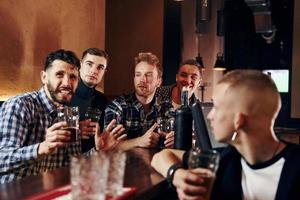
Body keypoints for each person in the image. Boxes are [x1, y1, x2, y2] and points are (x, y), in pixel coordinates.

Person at [151, 70, 300, 200]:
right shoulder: (227, 159)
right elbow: (161, 156)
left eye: (216, 107)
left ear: (238, 120)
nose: (210, 116)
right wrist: (176, 175)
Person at [0, 49, 124, 184]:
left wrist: (98, 150)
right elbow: (2, 160)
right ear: (44, 77)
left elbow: (71, 164)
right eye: (59, 74)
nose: (67, 83)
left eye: (73, 77)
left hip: (47, 192)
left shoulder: (69, 114)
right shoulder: (21, 105)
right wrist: (41, 148)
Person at [104, 52, 171, 150]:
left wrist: (174, 140)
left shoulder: (166, 108)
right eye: (138, 74)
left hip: (157, 163)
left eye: (148, 75)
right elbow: (108, 146)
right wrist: (139, 141)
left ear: (159, 81)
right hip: (124, 164)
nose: (142, 80)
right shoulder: (118, 106)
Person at [71, 48, 120, 153]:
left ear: (104, 72)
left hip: (93, 161)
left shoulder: (103, 101)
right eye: (89, 64)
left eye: (100, 67)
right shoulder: (64, 95)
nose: (94, 71)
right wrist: (74, 131)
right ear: (80, 65)